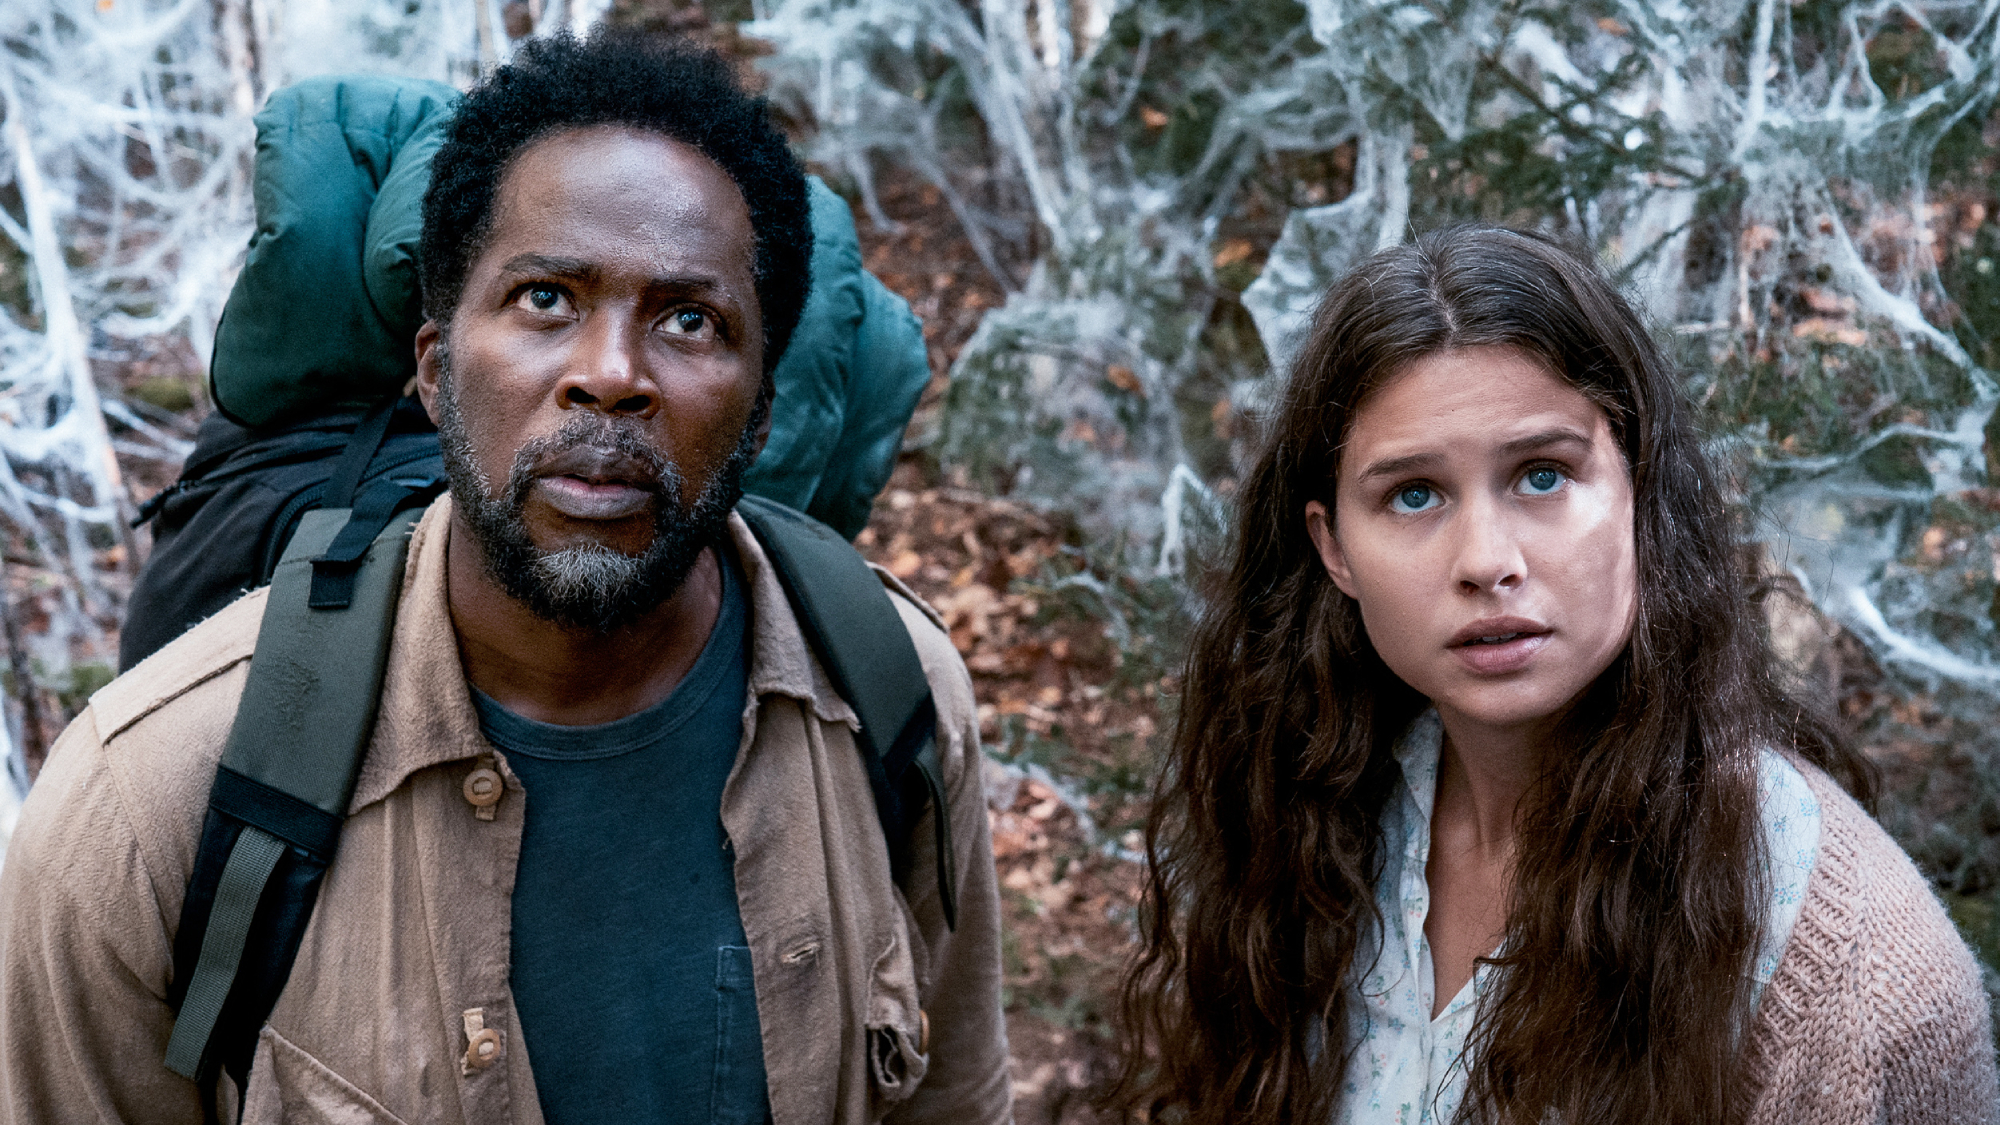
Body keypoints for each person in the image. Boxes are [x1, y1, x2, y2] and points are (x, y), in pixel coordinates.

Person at [0, 30, 1011, 1125]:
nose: (609, 375)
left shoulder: (891, 696)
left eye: (688, 319)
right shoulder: (140, 810)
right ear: (436, 370)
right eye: (545, 299)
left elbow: (954, 1097)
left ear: (759, 412)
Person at [1110, 226, 1999, 1124]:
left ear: (1641, 493)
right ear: (1333, 546)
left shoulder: (1851, 974)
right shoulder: (1315, 811)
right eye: (1414, 493)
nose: (1486, 561)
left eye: (1542, 475)